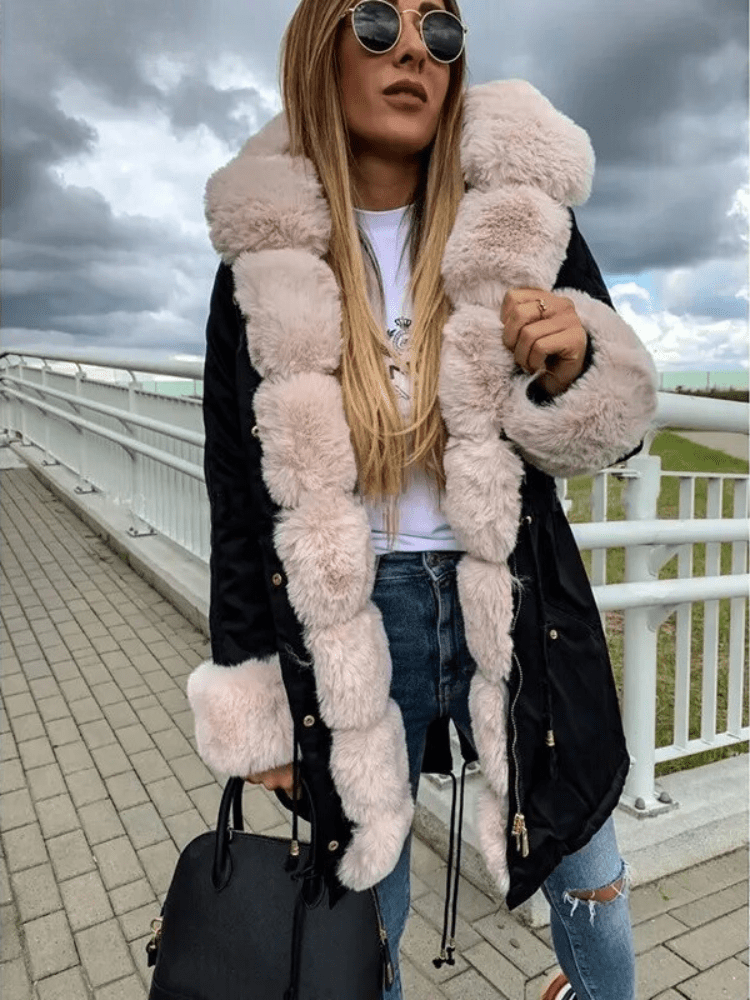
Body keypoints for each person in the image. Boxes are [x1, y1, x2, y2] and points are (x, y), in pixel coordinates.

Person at [187, 1, 659, 998]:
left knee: (592, 875)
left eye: (440, 31)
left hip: (517, 598)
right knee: (365, 918)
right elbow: (236, 489)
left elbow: (617, 430)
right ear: (320, 49)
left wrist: (575, 364)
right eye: (375, 22)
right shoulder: (263, 261)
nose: (412, 48)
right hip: (348, 621)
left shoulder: (524, 220)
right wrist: (255, 703)